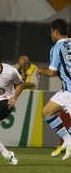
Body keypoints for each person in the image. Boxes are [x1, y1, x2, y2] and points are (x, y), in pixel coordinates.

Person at [36, 18, 71, 160]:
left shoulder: (56, 48)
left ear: (56, 32)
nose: (51, 35)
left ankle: (69, 140)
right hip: (65, 90)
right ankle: (68, 140)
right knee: (46, 112)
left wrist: (39, 70)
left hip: (70, 91)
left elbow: (52, 72)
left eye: (51, 32)